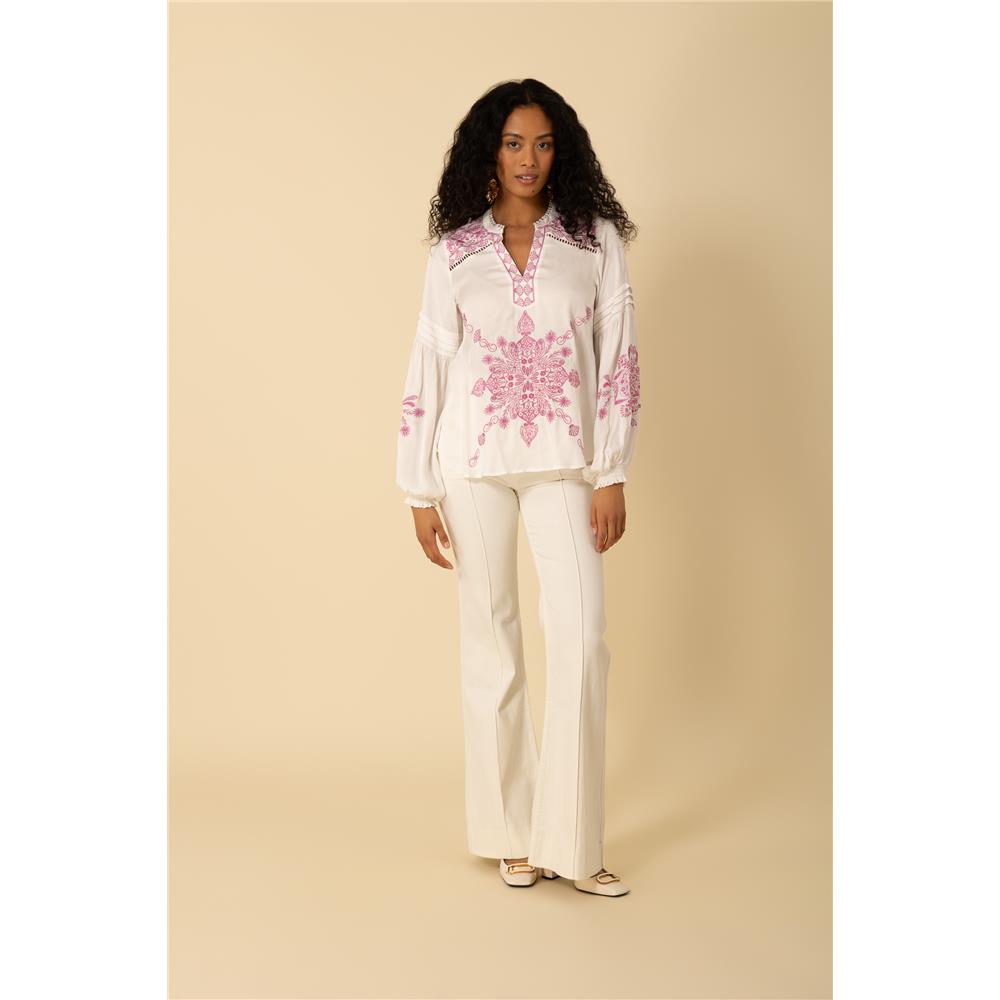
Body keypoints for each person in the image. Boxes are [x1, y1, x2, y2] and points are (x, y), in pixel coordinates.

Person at [395, 79, 640, 897]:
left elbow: (619, 357)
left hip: (566, 462)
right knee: (491, 642)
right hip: (470, 465)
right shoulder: (456, 253)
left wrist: (612, 470)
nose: (528, 159)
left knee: (582, 638)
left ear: (560, 151)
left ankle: (573, 841)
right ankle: (511, 832)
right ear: (488, 153)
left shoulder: (594, 241)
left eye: (542, 143)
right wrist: (417, 488)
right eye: (512, 143)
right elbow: (429, 362)